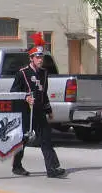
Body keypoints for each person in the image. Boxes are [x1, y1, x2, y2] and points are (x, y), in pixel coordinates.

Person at [10, 33, 66, 178]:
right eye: (38, 57)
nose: (40, 60)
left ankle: (52, 169)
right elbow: (13, 92)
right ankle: (17, 166)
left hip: (40, 111)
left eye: (42, 57)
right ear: (31, 58)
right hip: (26, 112)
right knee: (23, 139)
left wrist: (49, 109)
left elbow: (43, 92)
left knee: (46, 138)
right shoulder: (22, 73)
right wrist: (26, 97)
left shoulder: (44, 73)